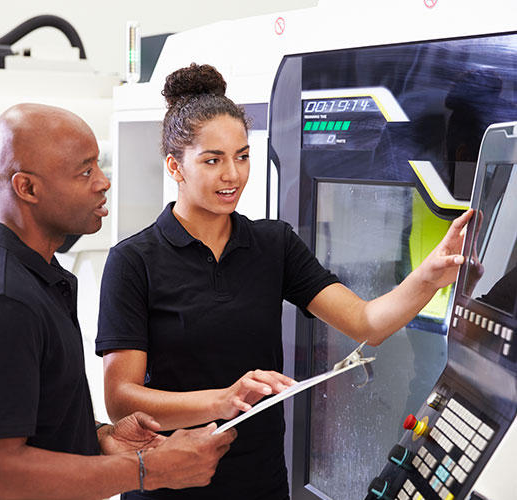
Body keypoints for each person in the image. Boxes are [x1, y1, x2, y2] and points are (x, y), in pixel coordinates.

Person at [95, 63, 473, 500]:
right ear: (174, 166)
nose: (232, 175)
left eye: (242, 156)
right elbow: (122, 400)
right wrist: (221, 401)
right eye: (212, 160)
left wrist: (427, 278)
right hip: (168, 484)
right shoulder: (133, 260)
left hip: (261, 483)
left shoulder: (273, 244)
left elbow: (366, 322)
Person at [0, 103, 236, 500]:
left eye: (98, 165)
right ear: (27, 188)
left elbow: (38, 422)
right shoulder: (2, 302)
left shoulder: (39, 277)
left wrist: (100, 437)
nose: (103, 182)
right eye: (85, 172)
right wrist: (148, 470)